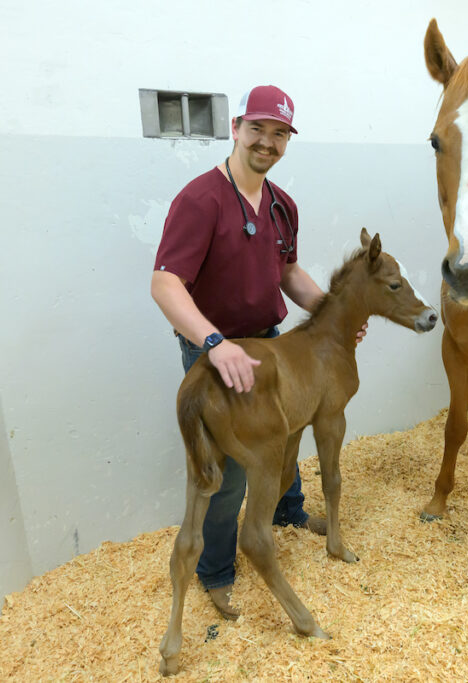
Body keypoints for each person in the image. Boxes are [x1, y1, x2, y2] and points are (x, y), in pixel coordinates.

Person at [150, 85, 365, 621]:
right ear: (237, 127)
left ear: (287, 141)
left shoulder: (280, 205)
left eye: (279, 134)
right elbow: (165, 283)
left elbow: (287, 272)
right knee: (228, 476)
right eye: (258, 130)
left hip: (269, 344)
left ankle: (288, 513)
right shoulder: (200, 200)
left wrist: (335, 314)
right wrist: (214, 345)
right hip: (218, 355)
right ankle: (216, 570)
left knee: (288, 434)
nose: (267, 143)